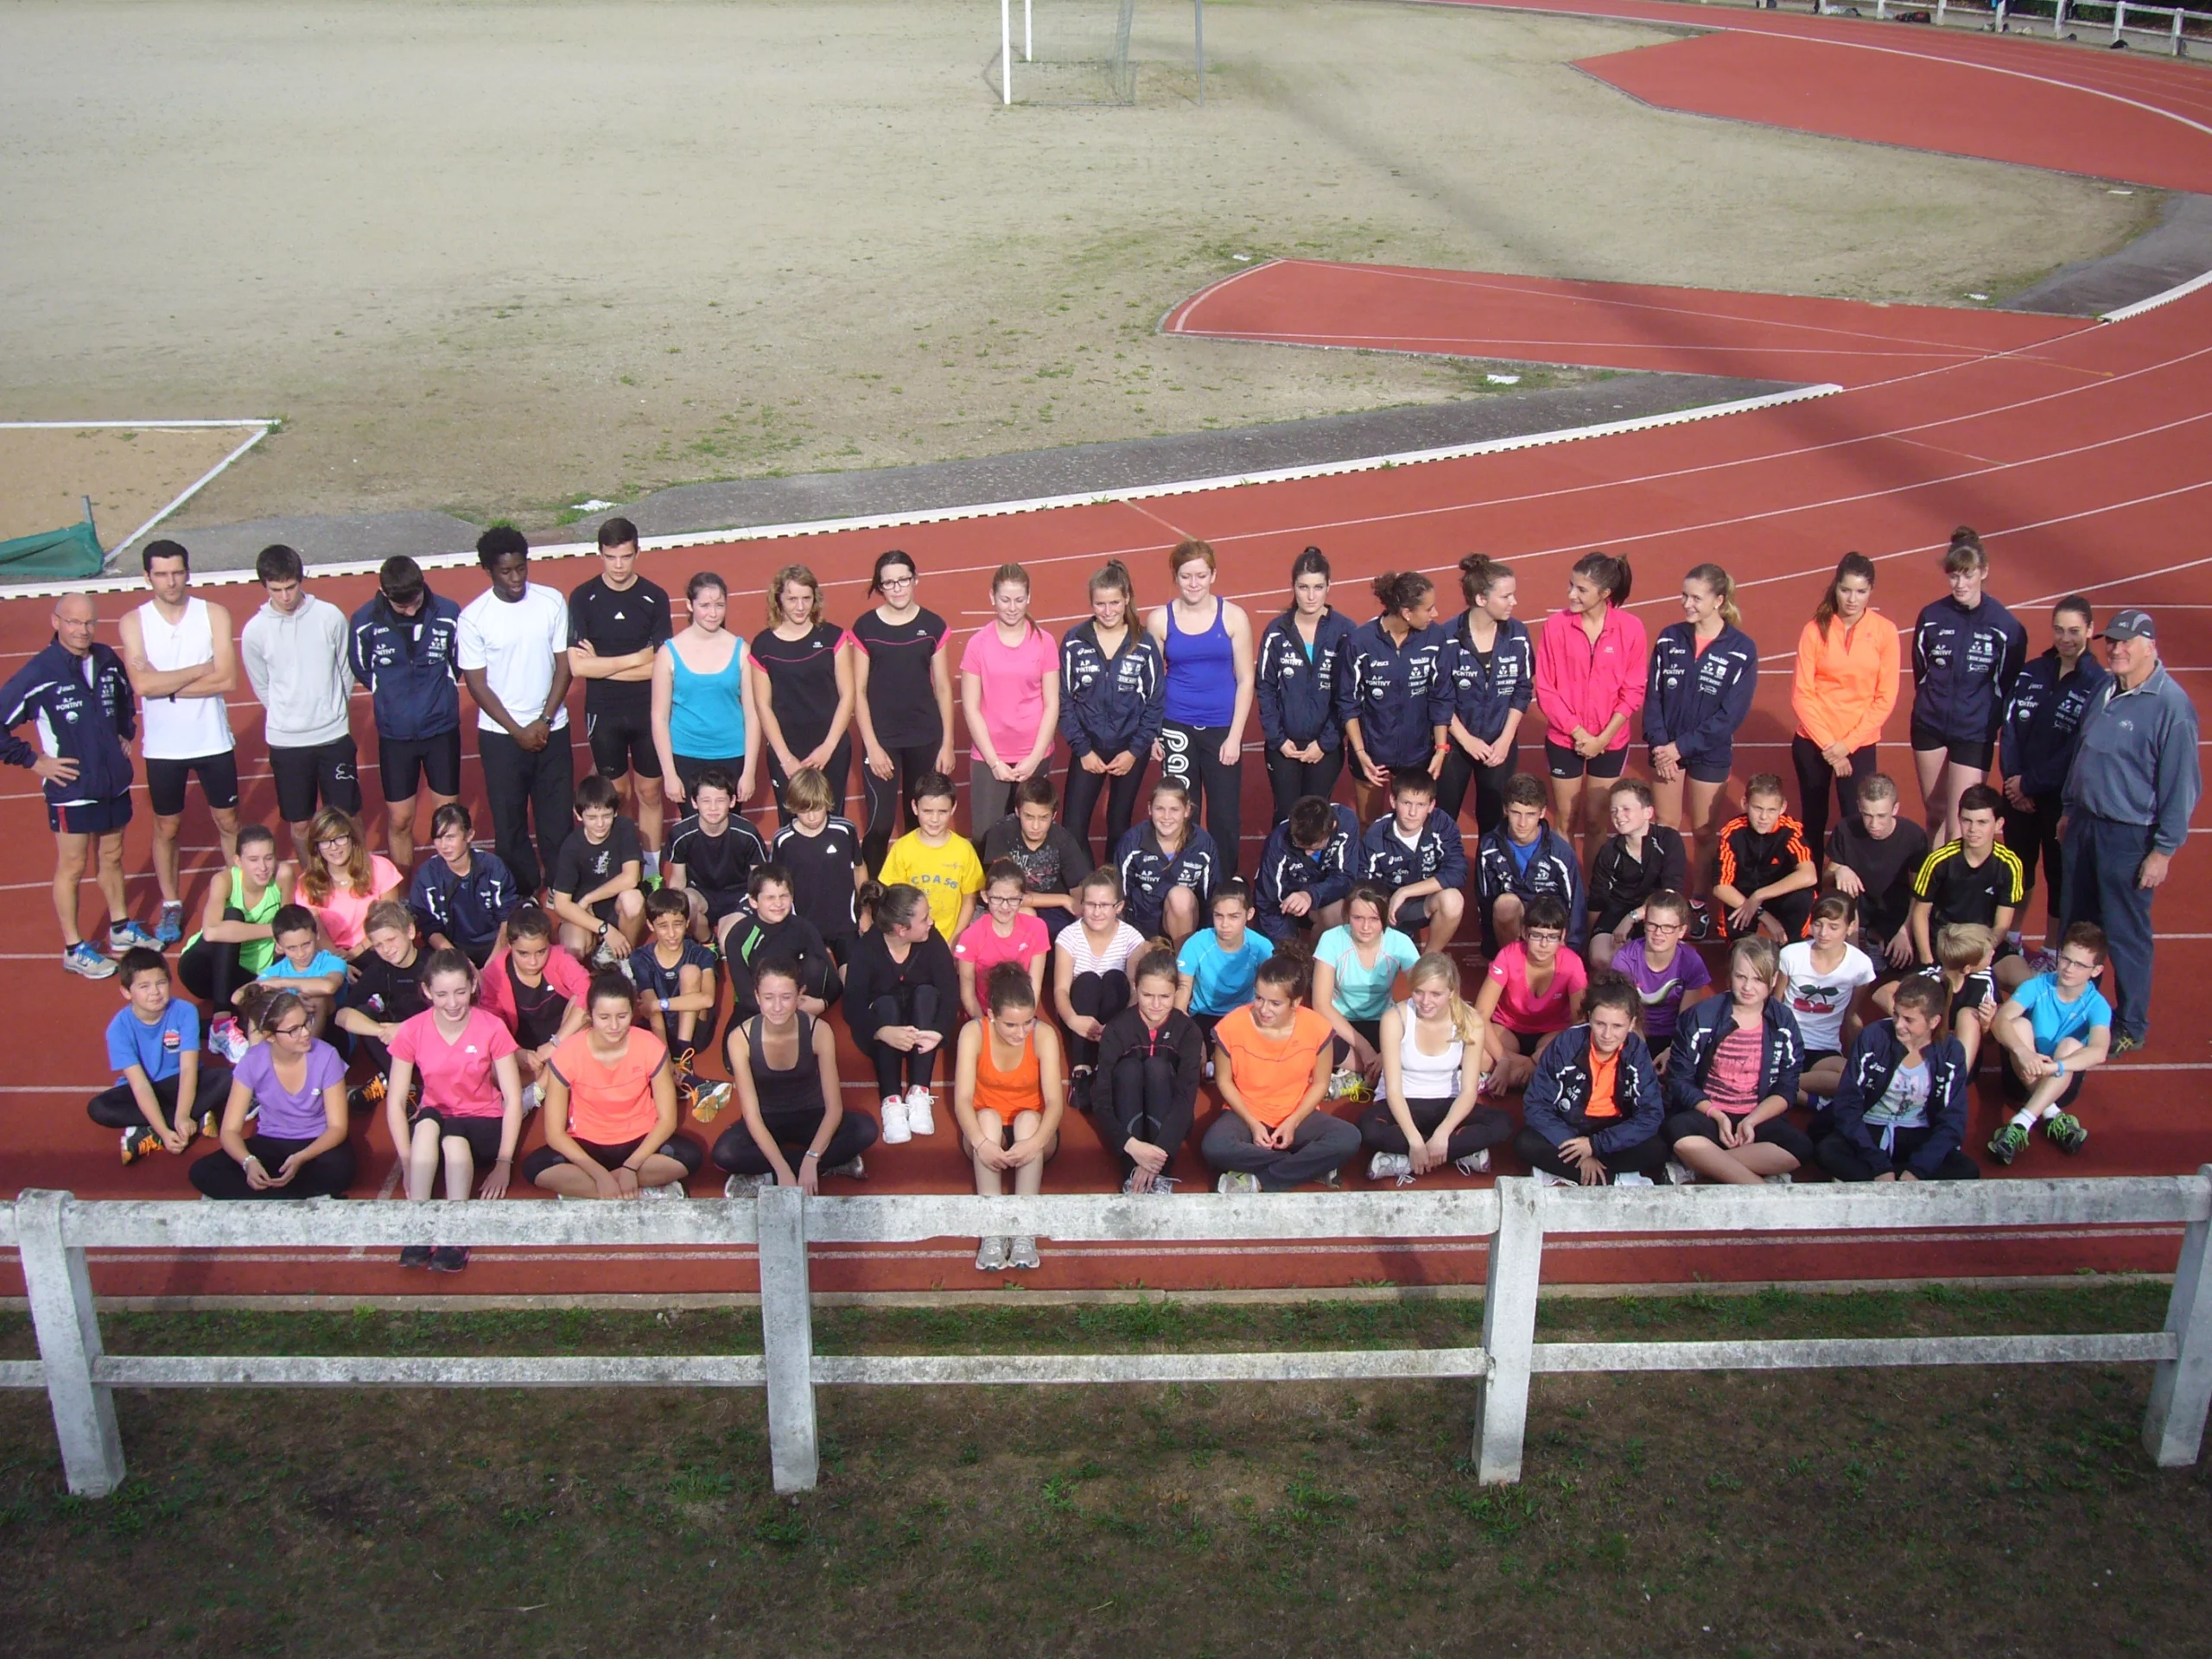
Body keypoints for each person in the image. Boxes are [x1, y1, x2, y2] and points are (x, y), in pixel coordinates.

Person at [2060, 608, 2199, 1054]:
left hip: (2128, 836)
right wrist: (2068, 807)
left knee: (2125, 933)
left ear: (2150, 647)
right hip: (2084, 825)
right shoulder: (2106, 687)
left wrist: (2163, 851)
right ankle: (2077, 1007)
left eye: (2125, 643)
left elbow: (2181, 787)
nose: (2116, 650)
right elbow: (2084, 752)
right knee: (2078, 924)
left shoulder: (2172, 707)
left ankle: (2131, 1022)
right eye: (2111, 642)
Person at [1, 591, 149, 976]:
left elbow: (123, 697)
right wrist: (34, 761)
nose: (82, 630)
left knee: (113, 856)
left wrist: (124, 732)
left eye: (88, 623)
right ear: (56, 622)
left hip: (113, 782)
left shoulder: (106, 659)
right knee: (73, 865)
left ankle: (120, 929)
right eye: (73, 622)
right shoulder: (40, 672)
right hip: (73, 790)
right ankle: (73, 947)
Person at [118, 539, 238, 943]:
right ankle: (172, 903)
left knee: (228, 821)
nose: (171, 582)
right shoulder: (134, 622)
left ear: (188, 572)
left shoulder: (214, 614)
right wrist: (198, 669)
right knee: (167, 827)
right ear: (147, 577)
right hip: (164, 748)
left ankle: (240, 893)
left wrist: (163, 684)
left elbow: (227, 678)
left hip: (212, 739)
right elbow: (140, 684)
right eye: (162, 574)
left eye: (177, 572)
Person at [384, 949, 524, 1271]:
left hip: (482, 1123)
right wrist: (407, 1161)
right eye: (442, 994)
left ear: (473, 986)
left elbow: (513, 1098)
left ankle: (456, 1234)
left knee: (451, 1135)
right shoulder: (412, 1030)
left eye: (460, 992)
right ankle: (419, 1227)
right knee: (428, 1124)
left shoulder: (492, 1027)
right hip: (435, 1123)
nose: (452, 1003)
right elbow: (395, 1100)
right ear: (427, 991)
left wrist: (504, 1162)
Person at [458, 526, 575, 897]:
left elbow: (564, 665)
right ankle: (522, 892)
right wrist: (517, 730)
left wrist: (543, 720)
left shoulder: (552, 601)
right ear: (488, 570)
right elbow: (477, 683)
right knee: (509, 822)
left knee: (556, 819)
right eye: (506, 572)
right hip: (501, 737)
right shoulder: (474, 618)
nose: (515, 579)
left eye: (521, 569)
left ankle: (560, 886)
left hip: (552, 729)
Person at [521, 972, 702, 1198]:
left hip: (640, 1141)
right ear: (591, 1015)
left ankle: (592, 1191)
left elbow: (667, 1121)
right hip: (587, 1143)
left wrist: (631, 1167)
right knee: (535, 1167)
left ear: (632, 1013)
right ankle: (631, 1190)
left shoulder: (650, 1046)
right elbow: (555, 1134)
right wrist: (599, 1174)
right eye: (604, 1017)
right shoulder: (568, 1053)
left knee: (690, 1156)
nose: (614, 1026)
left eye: (622, 1016)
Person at [1999, 596, 2107, 970]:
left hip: (2061, 799)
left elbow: (2080, 745)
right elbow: (2010, 727)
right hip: (2019, 795)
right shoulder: (2033, 671)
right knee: (2017, 870)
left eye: (2074, 631)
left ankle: (2050, 950)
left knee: (2059, 876)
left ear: (2090, 631)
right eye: (2059, 629)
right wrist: (2014, 780)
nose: (2066, 638)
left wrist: (2030, 782)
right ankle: (2009, 939)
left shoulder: (2099, 683)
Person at [567, 518, 674, 874]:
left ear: (636, 553)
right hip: (604, 712)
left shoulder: (654, 597)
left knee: (649, 792)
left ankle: (652, 870)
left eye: (625, 557)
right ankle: (621, 864)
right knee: (618, 796)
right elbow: (579, 668)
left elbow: (660, 665)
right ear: (600, 554)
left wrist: (603, 663)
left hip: (648, 709)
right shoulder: (583, 597)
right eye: (611, 557)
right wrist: (634, 659)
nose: (618, 565)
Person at [714, 957, 874, 1192]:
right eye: (769, 998)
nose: (777, 1007)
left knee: (866, 1130)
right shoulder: (740, 1038)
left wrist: (811, 1158)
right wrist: (782, 1168)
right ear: (757, 997)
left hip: (812, 1115)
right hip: (767, 1118)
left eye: (786, 997)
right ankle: (831, 1163)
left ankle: (765, 1175)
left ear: (800, 996)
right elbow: (751, 1114)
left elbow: (834, 1108)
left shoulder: (818, 1031)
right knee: (725, 1154)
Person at [240, 543, 359, 861]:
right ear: (264, 586)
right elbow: (261, 685)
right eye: (276, 589)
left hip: (333, 737)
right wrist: (287, 715)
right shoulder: (255, 632)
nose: (285, 596)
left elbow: (346, 670)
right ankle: (314, 886)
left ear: (301, 580)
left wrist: (333, 710)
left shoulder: (329, 617)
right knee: (300, 825)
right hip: (287, 742)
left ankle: (353, 880)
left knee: (345, 820)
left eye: (290, 587)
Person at [1662, 938, 1812, 1185]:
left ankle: (1703, 1166)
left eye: (1758, 979)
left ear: (1773, 981)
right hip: (1709, 1114)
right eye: (1741, 977)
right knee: (1675, 1131)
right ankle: (1759, 1186)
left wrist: (1752, 1120)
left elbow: (1787, 1087)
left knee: (1800, 1147)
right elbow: (1679, 1080)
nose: (1748, 987)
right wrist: (1718, 1115)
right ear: (1730, 976)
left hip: (1756, 1117)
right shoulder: (1702, 1016)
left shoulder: (1782, 1021)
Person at [1206, 955, 1362, 1193]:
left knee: (1348, 1137)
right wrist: (1252, 1123)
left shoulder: (1317, 1027)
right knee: (1215, 1147)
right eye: (1259, 998)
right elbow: (1224, 1081)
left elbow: (1320, 1083)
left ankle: (1260, 1180)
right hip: (1245, 1113)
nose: (1264, 1009)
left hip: (1297, 1114)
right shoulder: (1232, 1025)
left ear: (1296, 1002)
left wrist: (1292, 1122)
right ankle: (1309, 1166)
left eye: (1275, 1003)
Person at [1911, 528, 2027, 842]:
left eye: (1967, 575)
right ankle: (1929, 888)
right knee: (1935, 812)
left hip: (1974, 733)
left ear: (1984, 572)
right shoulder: (1931, 616)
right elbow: (1920, 672)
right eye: (1953, 576)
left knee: (1961, 822)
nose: (1960, 584)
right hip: (1929, 725)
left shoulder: (2005, 626)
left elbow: (2008, 684)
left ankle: (1957, 889)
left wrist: (1982, 719)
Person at [347, 554, 461, 872]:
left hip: (441, 730)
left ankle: (448, 887)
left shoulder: (448, 613)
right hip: (395, 736)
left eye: (415, 601)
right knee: (400, 819)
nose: (411, 610)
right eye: (402, 607)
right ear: (385, 594)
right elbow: (362, 668)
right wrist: (392, 697)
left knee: (448, 816)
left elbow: (458, 662)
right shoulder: (364, 622)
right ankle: (407, 892)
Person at [1147, 539, 1255, 879]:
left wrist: (1236, 736)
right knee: (1179, 809)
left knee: (1224, 813)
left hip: (1222, 728)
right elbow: (1150, 682)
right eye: (1186, 576)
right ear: (1175, 578)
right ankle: (1183, 876)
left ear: (1213, 576)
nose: (1194, 584)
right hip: (1176, 726)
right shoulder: (1160, 620)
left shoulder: (1234, 616)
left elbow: (1246, 678)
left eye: (1201, 576)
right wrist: (1153, 731)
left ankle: (1223, 883)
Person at [1644, 563, 1756, 887]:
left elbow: (1731, 715)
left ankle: (1697, 899)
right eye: (1684, 596)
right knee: (1664, 825)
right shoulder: (1669, 638)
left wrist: (1681, 747)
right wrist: (1660, 746)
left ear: (1718, 601)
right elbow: (1653, 697)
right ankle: (1665, 892)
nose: (1686, 604)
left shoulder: (1741, 649)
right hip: (1666, 749)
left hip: (1709, 751)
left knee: (1705, 831)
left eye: (1696, 598)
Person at [188, 989, 356, 1200]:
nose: (305, 1033)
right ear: (269, 1036)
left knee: (340, 1170)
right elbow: (230, 1130)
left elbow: (338, 1128)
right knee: (202, 1172)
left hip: (316, 1144)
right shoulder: (252, 1061)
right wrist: (248, 1161)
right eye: (294, 1030)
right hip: (271, 1141)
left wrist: (302, 1157)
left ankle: (265, 1197)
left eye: (306, 1023)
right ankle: (296, 1197)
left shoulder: (327, 1055)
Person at [952, 963, 1066, 1272]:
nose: (1021, 1033)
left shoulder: (1044, 1036)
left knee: (1029, 1119)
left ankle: (1023, 1229)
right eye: (1011, 1025)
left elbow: (1055, 1104)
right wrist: (981, 1142)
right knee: (986, 1116)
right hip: (986, 1131)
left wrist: (1035, 1144)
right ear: (991, 1015)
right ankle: (993, 1228)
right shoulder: (973, 1033)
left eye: (1028, 1022)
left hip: (1032, 1133)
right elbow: (962, 1100)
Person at [849, 550, 954, 873]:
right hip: (883, 740)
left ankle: (915, 888)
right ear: (880, 587)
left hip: (925, 736)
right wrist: (873, 746)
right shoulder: (866, 627)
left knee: (918, 820)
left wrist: (947, 743)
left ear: (915, 580)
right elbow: (859, 691)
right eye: (889, 583)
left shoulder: (933, 625)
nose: (897, 588)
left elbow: (944, 687)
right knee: (880, 824)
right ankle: (874, 893)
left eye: (903, 580)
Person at [1363, 952, 1510, 1183]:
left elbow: (1469, 1090)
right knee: (1368, 1129)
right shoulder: (1394, 1018)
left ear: (1451, 993)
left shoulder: (1470, 1021)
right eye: (1418, 992)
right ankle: (1455, 1153)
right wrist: (1414, 1141)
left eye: (1435, 994)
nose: (1425, 1001)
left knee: (1502, 1124)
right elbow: (1393, 1089)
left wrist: (1442, 1135)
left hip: (1446, 1103)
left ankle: (1408, 1160)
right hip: (1401, 1103)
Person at [1815, 976, 1979, 1183]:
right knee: (1828, 1151)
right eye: (1896, 1015)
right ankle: (1888, 1180)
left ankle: (1888, 1181)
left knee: (1966, 1169)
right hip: (1869, 1129)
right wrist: (1878, 1165)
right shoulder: (1873, 1037)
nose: (1899, 1025)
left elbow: (1953, 1120)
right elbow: (1848, 1105)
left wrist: (1919, 1170)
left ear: (1933, 1022)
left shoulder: (1950, 1051)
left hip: (1917, 1132)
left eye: (1909, 1020)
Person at [1533, 550, 1645, 850]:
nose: (1571, 594)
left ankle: (1596, 892)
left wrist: (1602, 739)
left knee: (1597, 821)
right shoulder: (1556, 626)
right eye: (1571, 585)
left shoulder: (1631, 628)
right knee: (1565, 821)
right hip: (1564, 739)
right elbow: (1545, 688)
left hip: (1610, 740)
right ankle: (1566, 890)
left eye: (1581, 589)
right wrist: (1579, 733)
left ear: (1605, 593)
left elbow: (1633, 690)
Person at [1791, 550, 1900, 857]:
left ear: (1871, 592)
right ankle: (1809, 886)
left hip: (1859, 745)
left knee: (1858, 819)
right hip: (1813, 742)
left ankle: (1852, 887)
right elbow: (1802, 693)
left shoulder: (1885, 632)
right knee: (1813, 819)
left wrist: (1847, 746)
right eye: (1846, 589)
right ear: (1836, 587)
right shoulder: (1815, 630)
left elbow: (1885, 698)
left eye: (1861, 591)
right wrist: (1831, 748)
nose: (1852, 599)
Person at [1512, 974, 1668, 1185]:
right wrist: (1580, 1150)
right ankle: (1611, 1178)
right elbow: (1536, 1106)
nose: (1607, 1034)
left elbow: (1651, 1113)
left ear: (1631, 1024)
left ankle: (1583, 1174)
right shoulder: (1565, 1044)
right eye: (1600, 1024)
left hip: (1614, 1129)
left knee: (1657, 1147)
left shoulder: (1637, 1052)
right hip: (1571, 1126)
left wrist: (1596, 1145)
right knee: (1526, 1143)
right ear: (1588, 1018)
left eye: (1617, 1026)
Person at [1060, 558, 1164, 859]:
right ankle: (1086, 889)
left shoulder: (1143, 644)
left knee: (1119, 823)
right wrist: (1083, 750)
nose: (1108, 611)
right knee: (1073, 825)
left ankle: (1115, 887)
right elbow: (1064, 701)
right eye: (1100, 604)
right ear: (1091, 603)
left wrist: (1134, 751)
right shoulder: (1074, 642)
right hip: (1088, 750)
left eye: (1115, 603)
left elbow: (1156, 702)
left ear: (1127, 599)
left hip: (1130, 750)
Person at [1986, 922, 2112, 1166]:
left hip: (2060, 1081)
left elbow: (2099, 1052)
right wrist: (2024, 1053)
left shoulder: (2098, 1005)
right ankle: (2052, 1114)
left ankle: (2021, 1123)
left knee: (2070, 1046)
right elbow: (2000, 1020)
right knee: (2018, 1025)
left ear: (2096, 971)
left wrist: (2054, 1068)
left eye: (2079, 964)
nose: (2068, 968)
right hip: (2022, 1071)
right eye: (2066, 959)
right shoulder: (2037, 985)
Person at [92, 949, 231, 1165]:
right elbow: (139, 1085)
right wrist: (165, 1132)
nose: (155, 992)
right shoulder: (118, 1029)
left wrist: (183, 1114)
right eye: (144, 986)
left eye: (161, 983)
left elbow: (188, 1069)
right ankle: (193, 1117)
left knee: (228, 1078)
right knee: (99, 1108)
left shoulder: (185, 1011)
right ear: (127, 992)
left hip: (178, 1084)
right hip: (145, 1089)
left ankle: (155, 1127)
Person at [846, 883, 958, 1142]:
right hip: (885, 1024)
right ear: (901, 929)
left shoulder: (932, 941)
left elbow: (949, 992)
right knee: (885, 1005)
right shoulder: (867, 949)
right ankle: (891, 1100)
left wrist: (939, 1033)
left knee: (928, 995)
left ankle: (919, 1090)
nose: (931, 922)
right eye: (924, 918)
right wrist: (882, 1032)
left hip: (922, 1020)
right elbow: (853, 1006)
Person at [1090, 940, 1205, 1193]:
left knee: (1157, 1068)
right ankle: (1131, 1170)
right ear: (1136, 988)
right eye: (1147, 995)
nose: (1155, 1005)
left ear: (1177, 992)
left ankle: (1159, 1174)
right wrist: (1131, 1146)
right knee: (1129, 1069)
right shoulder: (1118, 1029)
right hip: (1127, 1129)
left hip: (1169, 1126)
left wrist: (1155, 1159)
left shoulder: (1188, 1032)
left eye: (1164, 996)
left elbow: (1186, 1099)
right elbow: (1101, 1098)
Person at [1431, 553, 1531, 836]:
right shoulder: (1447, 638)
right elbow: (1439, 695)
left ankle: (1491, 877)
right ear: (1481, 599)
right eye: (1506, 596)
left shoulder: (1518, 635)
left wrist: (1505, 739)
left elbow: (1522, 690)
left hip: (1500, 743)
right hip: (1456, 745)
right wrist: (1465, 739)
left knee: (1495, 821)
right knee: (1443, 819)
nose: (1514, 602)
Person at [178, 823, 296, 1059]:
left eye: (268, 858)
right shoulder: (225, 881)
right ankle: (221, 1023)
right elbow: (211, 932)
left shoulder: (283, 876)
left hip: (249, 975)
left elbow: (288, 928)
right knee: (232, 915)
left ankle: (210, 1025)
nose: (263, 867)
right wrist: (271, 930)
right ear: (238, 861)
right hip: (204, 968)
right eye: (253, 860)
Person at [958, 561, 1060, 835]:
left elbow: (1052, 704)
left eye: (1018, 600)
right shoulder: (977, 644)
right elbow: (971, 707)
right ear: (992, 598)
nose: (1012, 607)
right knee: (987, 836)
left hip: (1034, 754)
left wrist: (1035, 757)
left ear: (1029, 598)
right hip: (990, 756)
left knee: (1033, 834)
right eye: (1005, 599)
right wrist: (994, 762)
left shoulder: (1045, 642)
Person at [1256, 545, 1355, 825]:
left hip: (1325, 747)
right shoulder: (1276, 632)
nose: (1311, 596)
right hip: (1284, 745)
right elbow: (1264, 688)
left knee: (1316, 817)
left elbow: (1349, 695)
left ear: (1329, 587)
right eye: (1303, 587)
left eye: (1318, 587)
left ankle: (1316, 870)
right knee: (1286, 816)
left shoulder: (1346, 632)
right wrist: (1278, 739)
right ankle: (1281, 869)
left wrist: (1325, 742)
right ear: (1293, 587)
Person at [1338, 570, 1446, 827]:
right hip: (1373, 755)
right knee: (1369, 822)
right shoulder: (1360, 642)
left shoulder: (1435, 638)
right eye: (1429, 609)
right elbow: (1347, 702)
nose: (1436, 614)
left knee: (1414, 825)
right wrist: (1361, 752)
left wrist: (1441, 750)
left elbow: (1441, 697)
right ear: (1407, 613)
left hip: (1418, 755)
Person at [752, 563, 855, 824]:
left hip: (829, 749)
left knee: (832, 821)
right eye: (792, 599)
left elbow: (848, 694)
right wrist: (786, 758)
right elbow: (763, 706)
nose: (800, 607)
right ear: (779, 600)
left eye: (806, 598)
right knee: (791, 823)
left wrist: (828, 747)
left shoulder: (833, 637)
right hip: (787, 750)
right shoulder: (764, 645)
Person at [651, 570, 758, 810]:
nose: (713, 613)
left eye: (719, 605)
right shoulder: (668, 653)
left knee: (730, 830)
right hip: (686, 755)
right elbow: (659, 716)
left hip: (731, 755)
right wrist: (669, 773)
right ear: (690, 605)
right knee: (693, 833)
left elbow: (752, 715)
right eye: (705, 605)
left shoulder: (741, 650)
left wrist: (749, 771)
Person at [1473, 892, 1588, 1094]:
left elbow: (1580, 1022)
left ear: (1562, 937)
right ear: (1525, 933)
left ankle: (1509, 1078)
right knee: (1469, 1047)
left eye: (1552, 937)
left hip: (1551, 1038)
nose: (1544, 944)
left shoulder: (1572, 963)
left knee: (1579, 1051)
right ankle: (1536, 1079)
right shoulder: (1508, 955)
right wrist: (1504, 1059)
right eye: (1537, 935)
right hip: (1506, 1033)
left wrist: (1537, 1059)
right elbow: (1480, 1014)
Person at [476, 905, 589, 1101]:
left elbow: (587, 990)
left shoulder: (559, 957)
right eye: (524, 954)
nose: (533, 962)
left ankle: (538, 1089)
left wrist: (556, 1044)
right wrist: (517, 1052)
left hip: (563, 1040)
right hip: (528, 1053)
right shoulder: (495, 974)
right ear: (510, 947)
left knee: (585, 1013)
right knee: (491, 1068)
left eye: (541, 952)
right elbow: (490, 1023)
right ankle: (556, 1077)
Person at [1311, 886, 1421, 1078]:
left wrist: (1387, 1050)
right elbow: (1321, 1005)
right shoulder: (1331, 940)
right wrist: (1365, 1048)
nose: (1366, 927)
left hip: (1384, 1021)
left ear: (1385, 918)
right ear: (1347, 916)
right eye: (1358, 918)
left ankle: (1356, 1073)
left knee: (1422, 1037)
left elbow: (1423, 992)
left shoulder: (1400, 943)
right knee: (1314, 1042)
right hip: (1340, 1021)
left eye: (1374, 919)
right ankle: (1379, 1070)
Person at [1777, 892, 1877, 1106]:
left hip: (1824, 1049)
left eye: (1833, 927)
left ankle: (1781, 1085)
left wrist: (1857, 1060)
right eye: (1818, 924)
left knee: (1853, 1079)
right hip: (1787, 1043)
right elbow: (1775, 1007)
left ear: (1849, 928)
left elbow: (1851, 1016)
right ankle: (1813, 1102)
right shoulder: (1791, 955)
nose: (1823, 933)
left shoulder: (1861, 966)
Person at [1907, 784, 2022, 969]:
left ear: (1999, 824)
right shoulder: (1939, 860)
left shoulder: (2010, 865)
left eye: (1982, 822)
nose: (1972, 829)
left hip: (1984, 945)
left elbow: (2002, 924)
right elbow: (1920, 913)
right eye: (1967, 820)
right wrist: (1927, 960)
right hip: (1946, 945)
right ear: (1959, 819)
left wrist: (1981, 957)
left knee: (2022, 980)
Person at [1823, 773, 1928, 969]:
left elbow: (1920, 891)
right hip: (1858, 904)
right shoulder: (1846, 829)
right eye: (1867, 815)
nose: (1874, 825)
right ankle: (1852, 950)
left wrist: (1906, 931)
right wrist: (1840, 871)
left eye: (1881, 816)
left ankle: (1875, 937)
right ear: (1859, 807)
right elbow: (1826, 881)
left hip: (1895, 907)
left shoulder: (1913, 836)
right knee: (1842, 887)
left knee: (1902, 963)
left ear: (1895, 809)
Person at [1473, 772, 1588, 950]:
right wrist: (1489, 949)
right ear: (1505, 810)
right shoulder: (1489, 847)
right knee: (1505, 905)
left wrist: (1573, 950)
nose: (1522, 823)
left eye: (1531, 814)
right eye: (1516, 813)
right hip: (1515, 913)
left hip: (1549, 918)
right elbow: (1486, 899)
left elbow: (1575, 902)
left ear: (1542, 812)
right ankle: (1511, 962)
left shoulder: (1560, 852)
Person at [1586, 777, 1689, 970]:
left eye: (1626, 809)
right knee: (1600, 957)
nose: (1618, 816)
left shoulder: (1669, 840)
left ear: (1648, 812)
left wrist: (1632, 918)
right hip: (1618, 909)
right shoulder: (1609, 851)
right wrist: (1591, 939)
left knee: (1656, 960)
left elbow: (1670, 893)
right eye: (1614, 810)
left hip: (1659, 912)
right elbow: (1597, 900)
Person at [1357, 769, 1468, 952]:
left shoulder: (1442, 824)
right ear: (1393, 801)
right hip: (1389, 908)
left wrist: (1405, 892)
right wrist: (1381, 910)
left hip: (1427, 900)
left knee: (1453, 900)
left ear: (1432, 805)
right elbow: (1363, 885)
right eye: (1406, 803)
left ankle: (1429, 959)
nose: (1412, 812)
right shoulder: (1376, 836)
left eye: (1421, 804)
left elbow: (1457, 872)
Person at [664, 765, 770, 948]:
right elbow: (677, 882)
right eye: (706, 801)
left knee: (727, 943)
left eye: (720, 800)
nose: (713, 808)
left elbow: (759, 879)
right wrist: (673, 914)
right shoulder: (680, 835)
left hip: (739, 896)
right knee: (684, 903)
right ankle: (707, 942)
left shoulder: (747, 834)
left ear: (732, 801)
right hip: (701, 893)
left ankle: (722, 940)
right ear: (694, 802)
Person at [1054, 867, 1147, 1076]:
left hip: (1116, 1020)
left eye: (1104, 905)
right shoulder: (1068, 937)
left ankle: (1108, 1064)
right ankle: (1081, 1068)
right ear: (1082, 905)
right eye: (1091, 904)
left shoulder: (1132, 939)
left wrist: (1115, 1027)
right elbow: (1060, 989)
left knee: (1116, 978)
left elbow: (1133, 990)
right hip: (1079, 1014)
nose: (1097, 912)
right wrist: (1073, 1020)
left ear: (1119, 907)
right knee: (1087, 980)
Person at [332, 900, 430, 1096]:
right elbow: (341, 1015)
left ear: (410, 932)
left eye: (391, 939)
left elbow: (453, 1013)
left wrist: (405, 1029)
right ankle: (399, 1084)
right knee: (364, 1013)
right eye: (378, 945)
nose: (386, 949)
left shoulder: (433, 964)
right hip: (398, 1047)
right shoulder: (378, 970)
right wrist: (380, 1031)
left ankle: (389, 1085)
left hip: (432, 1040)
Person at [769, 764, 867, 962]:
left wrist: (865, 912)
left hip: (845, 924)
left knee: (855, 984)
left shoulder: (845, 831)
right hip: (804, 926)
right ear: (793, 808)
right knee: (813, 980)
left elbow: (859, 868)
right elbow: (775, 882)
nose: (812, 817)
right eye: (804, 811)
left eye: (818, 808)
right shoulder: (783, 840)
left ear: (827, 802)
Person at [721, 863, 842, 1022]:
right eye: (770, 897)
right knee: (730, 1047)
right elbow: (745, 997)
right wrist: (781, 1011)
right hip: (757, 1011)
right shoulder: (738, 936)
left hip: (798, 1008)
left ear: (792, 897)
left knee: (815, 965)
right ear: (753, 901)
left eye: (784, 896)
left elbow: (833, 981)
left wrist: (822, 1003)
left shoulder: (804, 928)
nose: (778, 904)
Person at [406, 803, 521, 967]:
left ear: (469, 835)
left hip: (494, 945)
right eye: (438, 838)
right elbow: (429, 928)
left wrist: (492, 964)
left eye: (451, 837)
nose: (444, 845)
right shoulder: (427, 875)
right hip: (450, 950)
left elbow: (507, 917)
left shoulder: (493, 867)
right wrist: (463, 964)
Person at [980, 775, 1093, 941]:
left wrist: (1080, 909)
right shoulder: (1001, 833)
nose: (1035, 826)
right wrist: (1063, 899)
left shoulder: (1064, 840)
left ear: (1053, 815)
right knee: (1027, 915)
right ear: (1017, 811)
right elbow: (1006, 893)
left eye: (1043, 818)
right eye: (1029, 817)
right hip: (1011, 905)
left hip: (1053, 910)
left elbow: (1078, 893)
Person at [627, 887, 720, 1089]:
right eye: (663, 926)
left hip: (695, 1031)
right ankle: (672, 1065)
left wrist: (661, 1004)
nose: (671, 934)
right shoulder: (640, 957)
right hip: (660, 1030)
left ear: (687, 923)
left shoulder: (700, 954)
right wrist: (665, 1058)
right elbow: (651, 1010)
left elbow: (707, 999)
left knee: (690, 972)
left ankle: (683, 1058)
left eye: (677, 925)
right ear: (651, 926)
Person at [548, 774, 645, 964]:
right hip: (586, 914)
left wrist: (589, 898)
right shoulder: (571, 846)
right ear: (578, 815)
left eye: (606, 816)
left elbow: (631, 878)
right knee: (575, 946)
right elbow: (561, 904)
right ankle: (596, 956)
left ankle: (623, 959)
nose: (600, 824)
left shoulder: (625, 828)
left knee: (633, 900)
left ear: (616, 812)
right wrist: (605, 929)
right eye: (592, 818)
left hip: (612, 906)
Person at [877, 771, 984, 943]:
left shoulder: (964, 849)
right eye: (927, 811)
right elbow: (895, 902)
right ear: (914, 807)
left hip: (950, 937)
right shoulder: (902, 849)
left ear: (953, 808)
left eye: (942, 811)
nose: (935, 819)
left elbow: (969, 898)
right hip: (912, 939)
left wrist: (955, 939)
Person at [1878, 922, 1996, 1074]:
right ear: (1967, 968)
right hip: (1927, 1045)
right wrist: (1910, 1020)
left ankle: (1956, 1077)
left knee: (1968, 1015)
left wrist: (1986, 1025)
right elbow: (1881, 993)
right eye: (1988, 954)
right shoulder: (1930, 978)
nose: (1993, 953)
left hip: (1958, 1050)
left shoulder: (1984, 981)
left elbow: (1989, 1040)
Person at [1713, 774, 1817, 942]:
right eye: (1757, 808)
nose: (1763, 817)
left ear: (1782, 808)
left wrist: (1760, 895)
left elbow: (1809, 875)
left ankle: (1792, 944)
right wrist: (1762, 914)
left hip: (1778, 894)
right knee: (1739, 945)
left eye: (1771, 810)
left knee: (1803, 897)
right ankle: (1741, 946)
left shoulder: (1790, 831)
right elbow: (1721, 887)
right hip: (1744, 898)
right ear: (1744, 804)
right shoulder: (1733, 832)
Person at [1609, 889, 1710, 1063]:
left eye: (1668, 927)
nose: (1658, 933)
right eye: (1652, 925)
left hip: (1673, 1037)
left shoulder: (1691, 961)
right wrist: (1644, 1058)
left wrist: (1672, 1050)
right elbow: (1626, 1013)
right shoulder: (1626, 959)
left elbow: (1687, 1018)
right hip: (1634, 1032)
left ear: (1681, 931)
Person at [1114, 777, 1218, 943]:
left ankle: (1183, 962)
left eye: (1174, 809)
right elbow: (1119, 895)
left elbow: (1211, 898)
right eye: (1160, 809)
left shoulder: (1202, 845)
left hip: (1187, 928)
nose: (1166, 817)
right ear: (1150, 809)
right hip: (1142, 929)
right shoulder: (1132, 842)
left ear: (1187, 811)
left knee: (1180, 897)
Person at [1251, 793, 1360, 947]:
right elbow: (1268, 901)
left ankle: (1320, 959)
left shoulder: (1347, 823)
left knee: (1338, 917)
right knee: (1283, 955)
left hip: (1322, 897)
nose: (1307, 854)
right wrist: (1289, 947)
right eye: (1301, 847)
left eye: (1314, 848)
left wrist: (1311, 895)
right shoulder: (1278, 841)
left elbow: (1346, 877)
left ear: (1333, 826)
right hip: (1284, 904)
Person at [1175, 881, 1274, 1046]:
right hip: (1202, 1016)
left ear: (1249, 914)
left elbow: (1271, 992)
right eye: (1218, 916)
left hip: (1245, 1017)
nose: (1224, 924)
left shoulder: (1262, 947)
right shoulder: (1196, 944)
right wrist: (1179, 1024)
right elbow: (1183, 987)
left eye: (1234, 916)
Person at [297, 807, 404, 958]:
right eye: (325, 842)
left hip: (375, 949)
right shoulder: (307, 883)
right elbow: (317, 932)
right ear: (316, 847)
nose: (334, 847)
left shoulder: (380, 868)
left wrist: (356, 952)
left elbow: (388, 921)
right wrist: (338, 961)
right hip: (329, 955)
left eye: (340, 838)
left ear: (352, 839)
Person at [955, 859, 1051, 1020]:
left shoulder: (1037, 928)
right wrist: (987, 1025)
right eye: (997, 899)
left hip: (1021, 1016)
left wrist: (1021, 1022)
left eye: (1013, 899)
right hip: (984, 1015)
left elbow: (1034, 987)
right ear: (985, 896)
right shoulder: (970, 936)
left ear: (1023, 897)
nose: (1005, 907)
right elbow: (968, 994)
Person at [248, 905, 348, 1037]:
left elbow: (329, 986)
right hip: (289, 1036)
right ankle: (255, 1056)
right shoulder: (276, 971)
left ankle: (309, 1056)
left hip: (332, 1034)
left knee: (317, 999)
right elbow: (238, 996)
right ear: (279, 945)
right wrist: (294, 1003)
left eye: (306, 944)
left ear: (317, 935)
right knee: (259, 1008)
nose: (301, 954)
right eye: (292, 948)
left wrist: (282, 982)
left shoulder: (333, 962)